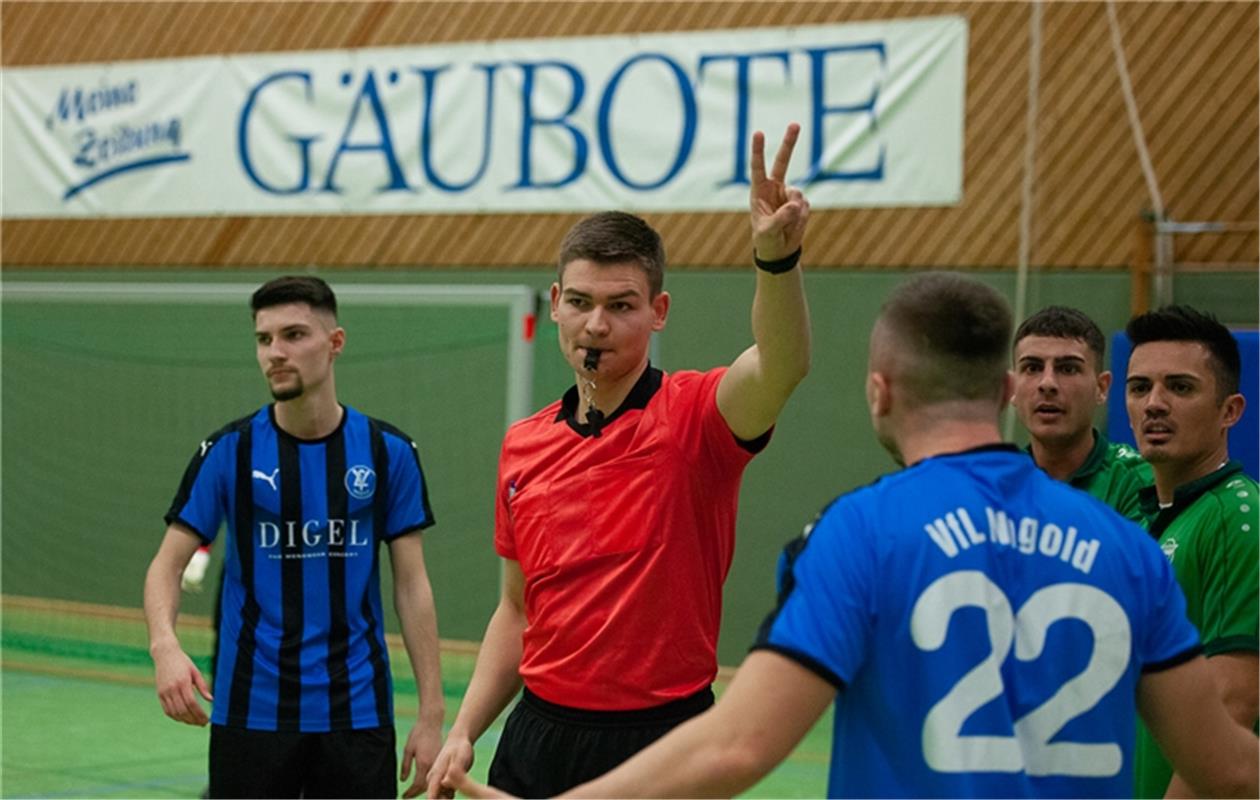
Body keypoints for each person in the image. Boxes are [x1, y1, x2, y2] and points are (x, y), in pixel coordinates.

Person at [455, 273, 1259, 799]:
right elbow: (1228, 767)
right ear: (1008, 389)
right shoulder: (1127, 543)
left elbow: (736, 748)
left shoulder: (859, 535)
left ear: (879, 392)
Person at [425, 124, 812, 798]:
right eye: (579, 303)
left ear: (658, 312)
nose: (596, 325)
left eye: (620, 306)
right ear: (554, 306)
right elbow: (516, 612)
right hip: (538, 737)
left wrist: (775, 262)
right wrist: (465, 729)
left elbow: (781, 367)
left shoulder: (698, 417)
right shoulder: (522, 444)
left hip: (663, 738)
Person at [144, 276, 445, 799]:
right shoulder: (228, 451)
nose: (275, 353)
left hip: (358, 710)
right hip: (251, 712)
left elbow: (412, 587)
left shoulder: (386, 452)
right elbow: (166, 567)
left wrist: (431, 714)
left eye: (293, 335)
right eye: (264, 340)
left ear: (335, 343)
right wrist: (164, 646)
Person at [1123, 305, 1259, 798]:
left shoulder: (1237, 516)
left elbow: (1235, 703)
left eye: (1179, 387)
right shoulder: (1144, 521)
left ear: (1230, 411)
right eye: (1140, 388)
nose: (1154, 404)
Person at [1010, 306, 1151, 521]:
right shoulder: (996, 484)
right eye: (1032, 368)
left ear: (1102, 388)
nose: (1047, 383)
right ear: (1012, 388)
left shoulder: (1139, 482)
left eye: (1068, 369)